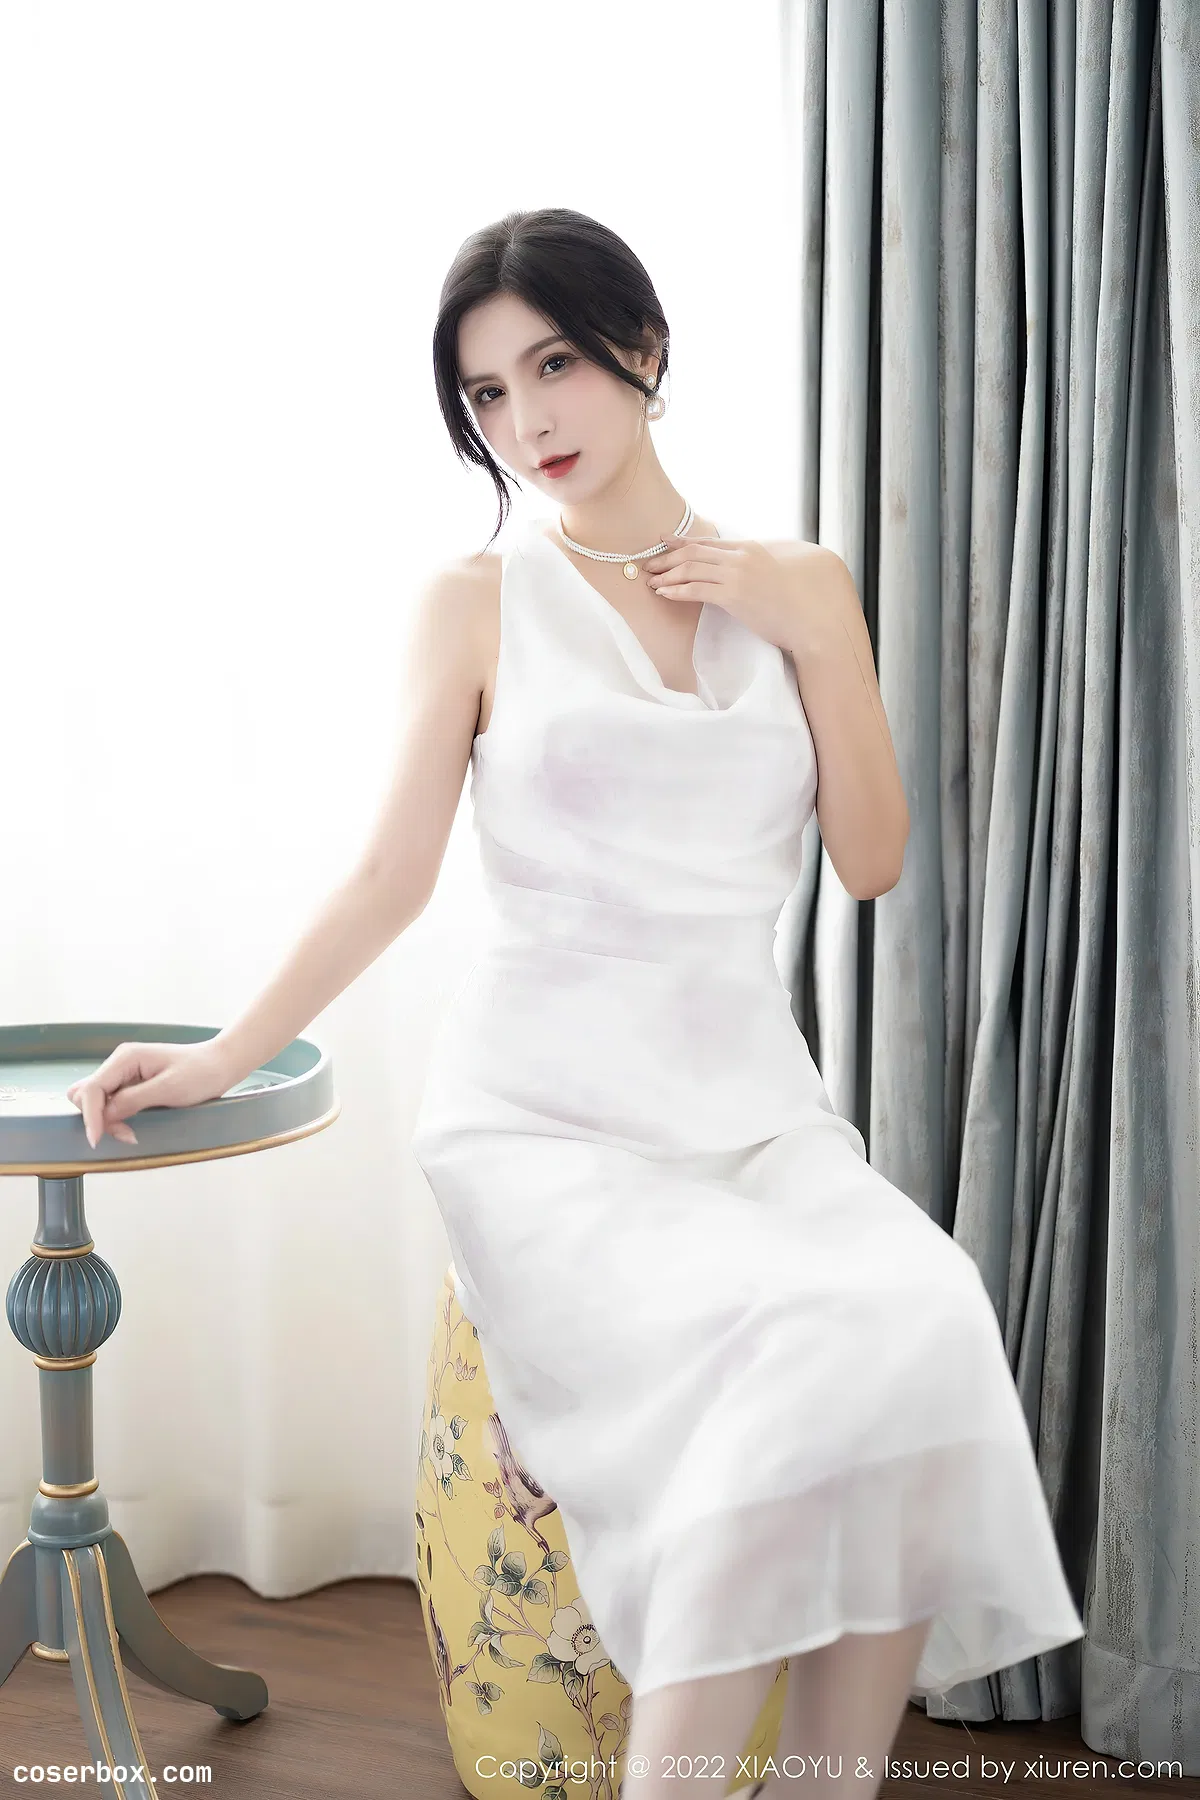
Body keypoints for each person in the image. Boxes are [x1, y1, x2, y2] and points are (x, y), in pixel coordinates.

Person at [67, 208, 1085, 1798]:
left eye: (554, 367)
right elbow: (390, 876)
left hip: (752, 1117)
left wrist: (820, 631)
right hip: (544, 1118)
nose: (526, 419)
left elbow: (875, 859)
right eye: (487, 393)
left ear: (644, 350)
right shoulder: (477, 602)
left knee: (927, 1316)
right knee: (786, 1367)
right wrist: (220, 1055)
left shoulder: (800, 584)